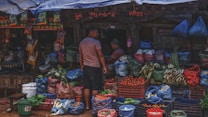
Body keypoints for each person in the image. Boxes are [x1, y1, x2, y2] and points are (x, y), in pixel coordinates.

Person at [79, 27, 107, 110]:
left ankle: (87, 106)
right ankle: (94, 105)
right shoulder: (96, 42)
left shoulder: (82, 42)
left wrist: (81, 65)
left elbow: (80, 56)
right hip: (95, 67)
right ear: (91, 32)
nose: (98, 34)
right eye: (96, 32)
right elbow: (100, 55)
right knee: (95, 87)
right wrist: (104, 66)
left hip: (86, 68)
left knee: (87, 87)